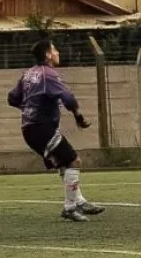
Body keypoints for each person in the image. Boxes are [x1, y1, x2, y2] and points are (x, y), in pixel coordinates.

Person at [8, 40, 104, 222]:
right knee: (74, 161)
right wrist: (79, 117)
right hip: (41, 127)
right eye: (55, 49)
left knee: (63, 163)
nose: (58, 52)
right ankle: (69, 208)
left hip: (29, 128)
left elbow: (12, 98)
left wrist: (27, 108)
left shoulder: (28, 74)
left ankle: (80, 201)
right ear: (48, 55)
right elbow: (67, 97)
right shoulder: (48, 75)